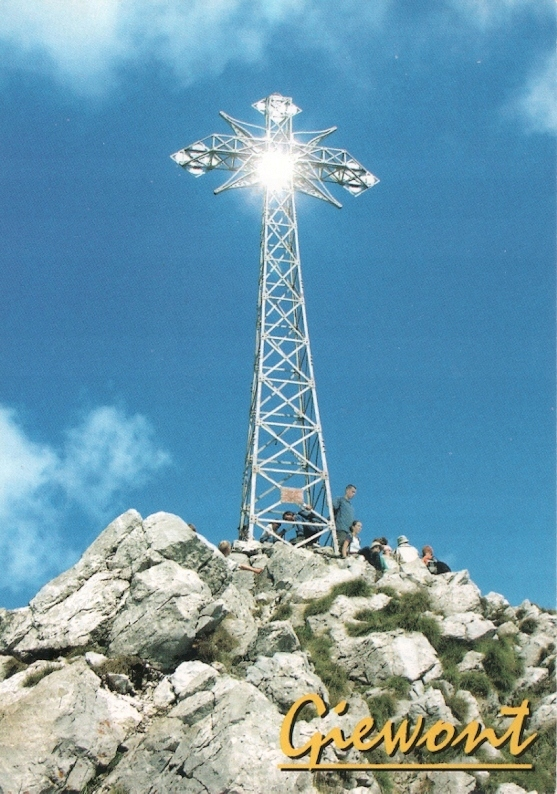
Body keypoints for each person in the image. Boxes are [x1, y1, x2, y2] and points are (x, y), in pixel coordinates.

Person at [333, 484, 357, 552]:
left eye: (354, 492)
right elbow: (332, 506)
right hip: (341, 528)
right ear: (347, 490)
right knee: (340, 546)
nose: (353, 494)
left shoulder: (350, 506)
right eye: (352, 492)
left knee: (347, 549)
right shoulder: (340, 500)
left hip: (349, 531)